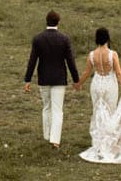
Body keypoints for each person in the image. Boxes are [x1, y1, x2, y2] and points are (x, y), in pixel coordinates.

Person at [77, 26, 121, 164]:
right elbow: (118, 73)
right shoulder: (112, 54)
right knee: (110, 112)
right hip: (109, 85)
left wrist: (78, 84)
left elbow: (86, 72)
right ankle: (109, 143)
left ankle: (98, 143)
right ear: (107, 38)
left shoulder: (91, 55)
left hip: (96, 85)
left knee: (97, 112)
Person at [22, 9, 80, 148]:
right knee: (57, 109)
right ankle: (55, 139)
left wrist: (27, 79)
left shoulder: (38, 39)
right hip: (59, 79)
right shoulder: (64, 39)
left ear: (46, 21)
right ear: (58, 22)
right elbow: (70, 61)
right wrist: (76, 79)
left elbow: (32, 60)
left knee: (46, 107)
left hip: (44, 78)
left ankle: (47, 135)